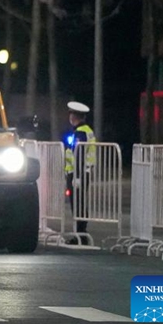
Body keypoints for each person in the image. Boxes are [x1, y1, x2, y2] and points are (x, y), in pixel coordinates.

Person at [62, 101, 96, 245]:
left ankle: (81, 235)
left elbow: (79, 156)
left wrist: (77, 177)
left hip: (78, 174)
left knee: (78, 205)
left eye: (71, 114)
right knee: (79, 204)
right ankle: (81, 234)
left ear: (74, 116)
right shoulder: (85, 130)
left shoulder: (81, 132)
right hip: (81, 173)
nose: (70, 117)